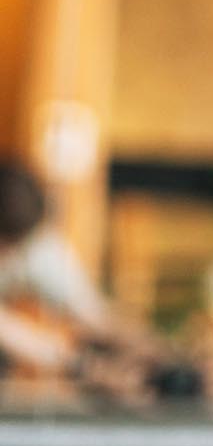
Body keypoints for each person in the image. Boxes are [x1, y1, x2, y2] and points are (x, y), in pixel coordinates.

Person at [0, 162, 165, 402]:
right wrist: (85, 366)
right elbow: (7, 331)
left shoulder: (29, 240)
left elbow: (94, 314)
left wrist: (161, 353)